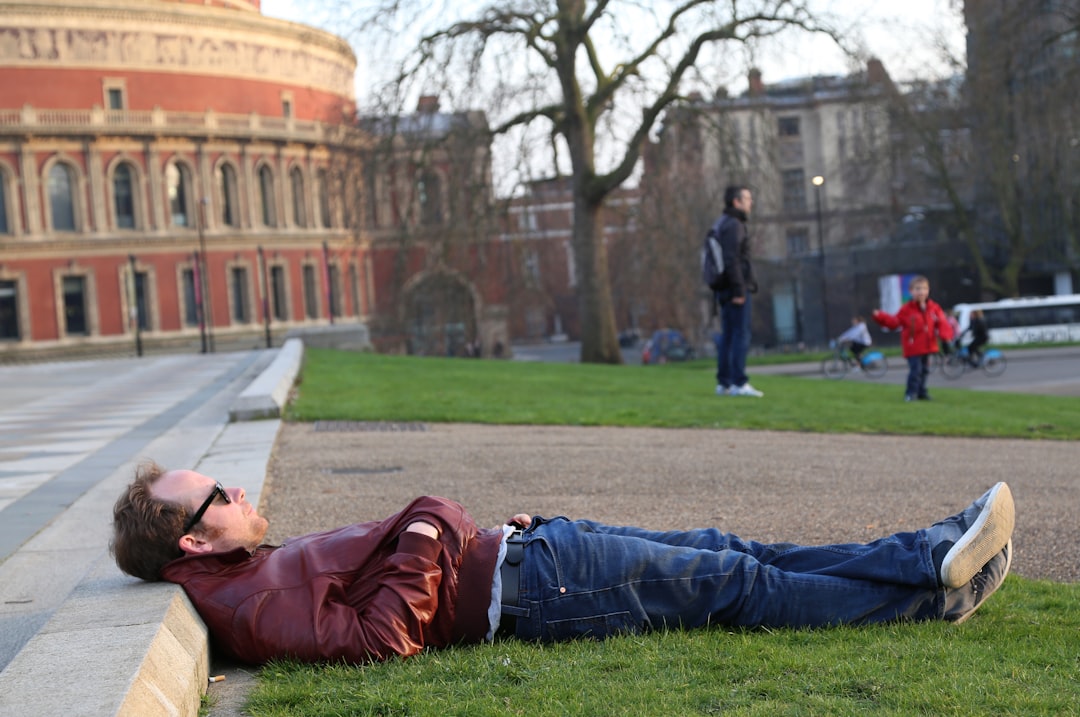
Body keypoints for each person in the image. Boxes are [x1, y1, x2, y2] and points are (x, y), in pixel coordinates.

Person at [111, 464, 1015, 666]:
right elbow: (384, 637)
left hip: (528, 554)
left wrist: (443, 535)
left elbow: (378, 585)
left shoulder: (242, 575)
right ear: (191, 537)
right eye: (218, 492)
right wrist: (429, 525)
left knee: (734, 552)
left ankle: (927, 553)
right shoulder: (247, 602)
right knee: (738, 585)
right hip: (536, 585)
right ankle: (927, 598)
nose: (235, 492)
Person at [712, 185, 762, 398]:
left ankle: (724, 383)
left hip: (724, 289)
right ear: (736, 202)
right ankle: (739, 382)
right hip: (735, 290)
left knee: (728, 336)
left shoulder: (722, 223)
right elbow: (733, 260)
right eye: (748, 198)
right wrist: (740, 290)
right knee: (740, 335)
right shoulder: (734, 225)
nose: (751, 203)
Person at [872, 276, 954, 401]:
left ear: (928, 290)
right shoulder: (907, 309)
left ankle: (922, 391)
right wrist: (880, 316)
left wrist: (946, 338)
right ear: (911, 291)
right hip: (913, 347)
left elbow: (942, 323)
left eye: (924, 289)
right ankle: (911, 393)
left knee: (925, 370)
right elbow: (894, 322)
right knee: (916, 370)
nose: (921, 292)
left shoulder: (934, 308)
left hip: (928, 345)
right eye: (918, 289)